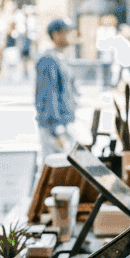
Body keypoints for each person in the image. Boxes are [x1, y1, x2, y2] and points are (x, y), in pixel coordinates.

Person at [35, 17, 78, 161]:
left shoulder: (61, 58)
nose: (71, 35)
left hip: (66, 124)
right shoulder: (49, 60)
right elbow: (48, 95)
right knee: (54, 170)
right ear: (56, 35)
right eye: (67, 32)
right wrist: (57, 130)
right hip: (54, 127)